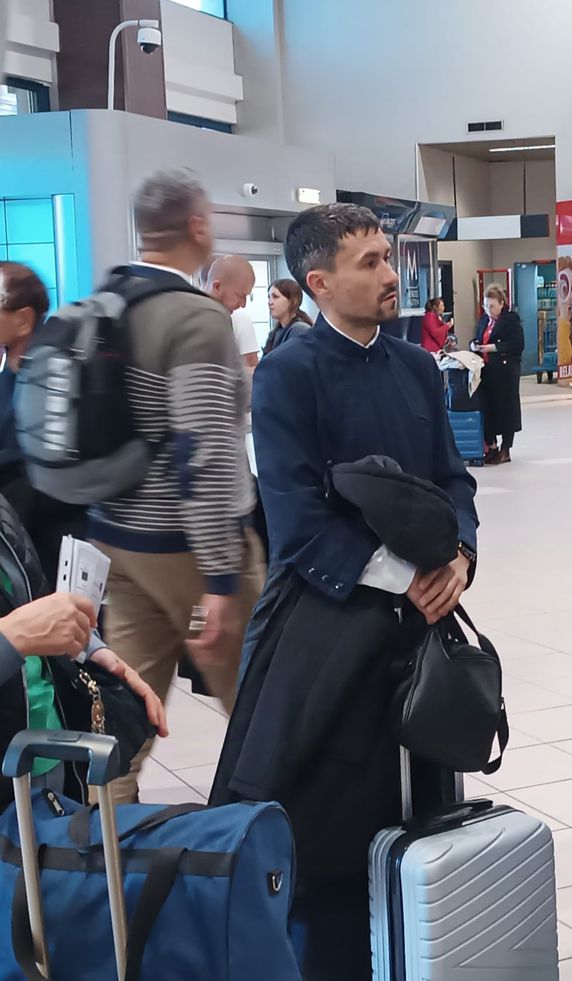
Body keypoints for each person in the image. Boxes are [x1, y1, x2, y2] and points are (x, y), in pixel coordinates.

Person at [218, 202, 478, 979]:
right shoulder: (288, 374)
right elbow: (296, 521)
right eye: (371, 262)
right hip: (325, 631)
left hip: (421, 633)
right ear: (320, 282)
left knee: (424, 814)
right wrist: (406, 577)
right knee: (331, 836)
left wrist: (460, 556)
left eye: (388, 257)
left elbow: (452, 480)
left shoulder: (414, 366)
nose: (391, 273)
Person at [89, 170, 264, 804]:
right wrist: (219, 580)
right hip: (186, 551)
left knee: (129, 703)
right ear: (196, 226)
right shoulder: (194, 318)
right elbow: (205, 453)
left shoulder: (106, 301)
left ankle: (102, 838)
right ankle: (283, 834)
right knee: (261, 695)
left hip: (116, 542)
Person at [0, 490, 167, 807]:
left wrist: (90, 649)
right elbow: (18, 628)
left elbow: (29, 593)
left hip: (44, 752)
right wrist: (12, 636)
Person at [0, 262, 92, 577]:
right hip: (21, 536)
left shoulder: (53, 375)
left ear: (23, 319)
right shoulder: (13, 368)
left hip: (53, 543)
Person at [471, 283, 524, 464]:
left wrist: (493, 348)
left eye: (492, 306)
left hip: (505, 371)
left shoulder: (511, 320)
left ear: (501, 304)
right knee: (488, 408)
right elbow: (477, 337)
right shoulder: (484, 321)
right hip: (486, 371)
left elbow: (517, 344)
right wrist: (474, 345)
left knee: (506, 409)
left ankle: (505, 449)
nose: (488, 309)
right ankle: (492, 446)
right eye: (486, 305)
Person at [206, 254, 259, 373]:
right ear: (217, 287)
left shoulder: (224, 318)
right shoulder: (192, 319)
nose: (243, 304)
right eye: (240, 295)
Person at [263, 278, 313, 356]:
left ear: (294, 301)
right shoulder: (275, 333)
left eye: (275, 297)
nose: (270, 302)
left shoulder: (300, 330)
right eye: (269, 297)